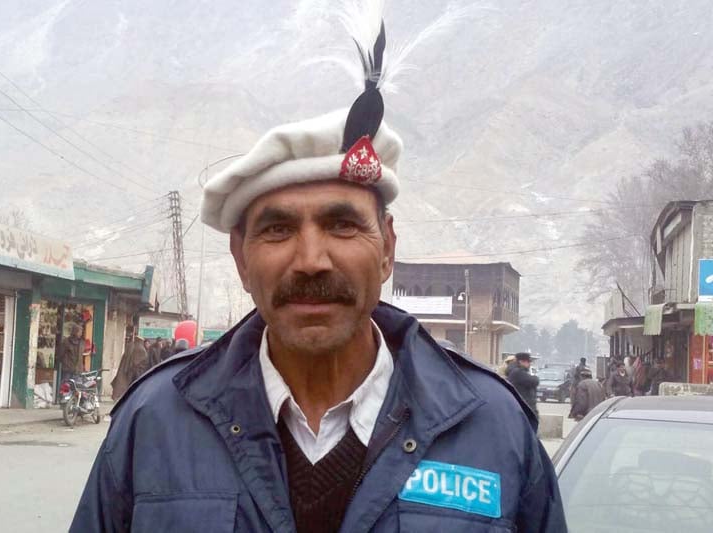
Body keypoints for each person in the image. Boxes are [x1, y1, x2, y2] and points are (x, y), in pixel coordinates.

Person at [71, 9, 566, 531]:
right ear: (240, 258)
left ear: (387, 249)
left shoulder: (493, 426)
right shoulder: (154, 422)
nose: (311, 260)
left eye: (342, 225)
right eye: (278, 230)